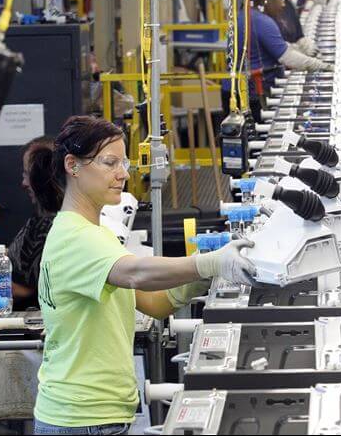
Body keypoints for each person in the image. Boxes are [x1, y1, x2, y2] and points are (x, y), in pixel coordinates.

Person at [32, 115, 261, 434]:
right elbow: (136, 273)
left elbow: (153, 302)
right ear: (73, 165)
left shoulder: (91, 234)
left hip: (89, 414)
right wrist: (210, 263)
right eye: (109, 163)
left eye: (124, 163)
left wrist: (207, 276)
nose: (123, 174)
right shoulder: (77, 237)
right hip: (82, 418)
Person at [226, 0, 332, 121]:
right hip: (252, 96)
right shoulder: (261, 22)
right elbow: (288, 58)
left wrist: (300, 47)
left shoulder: (246, 16)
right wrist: (323, 66)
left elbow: (277, 46)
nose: (283, 4)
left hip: (238, 91)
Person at [10, 136, 57, 310]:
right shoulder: (39, 222)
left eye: (28, 174)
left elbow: (27, 289)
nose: (24, 183)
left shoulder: (49, 227)